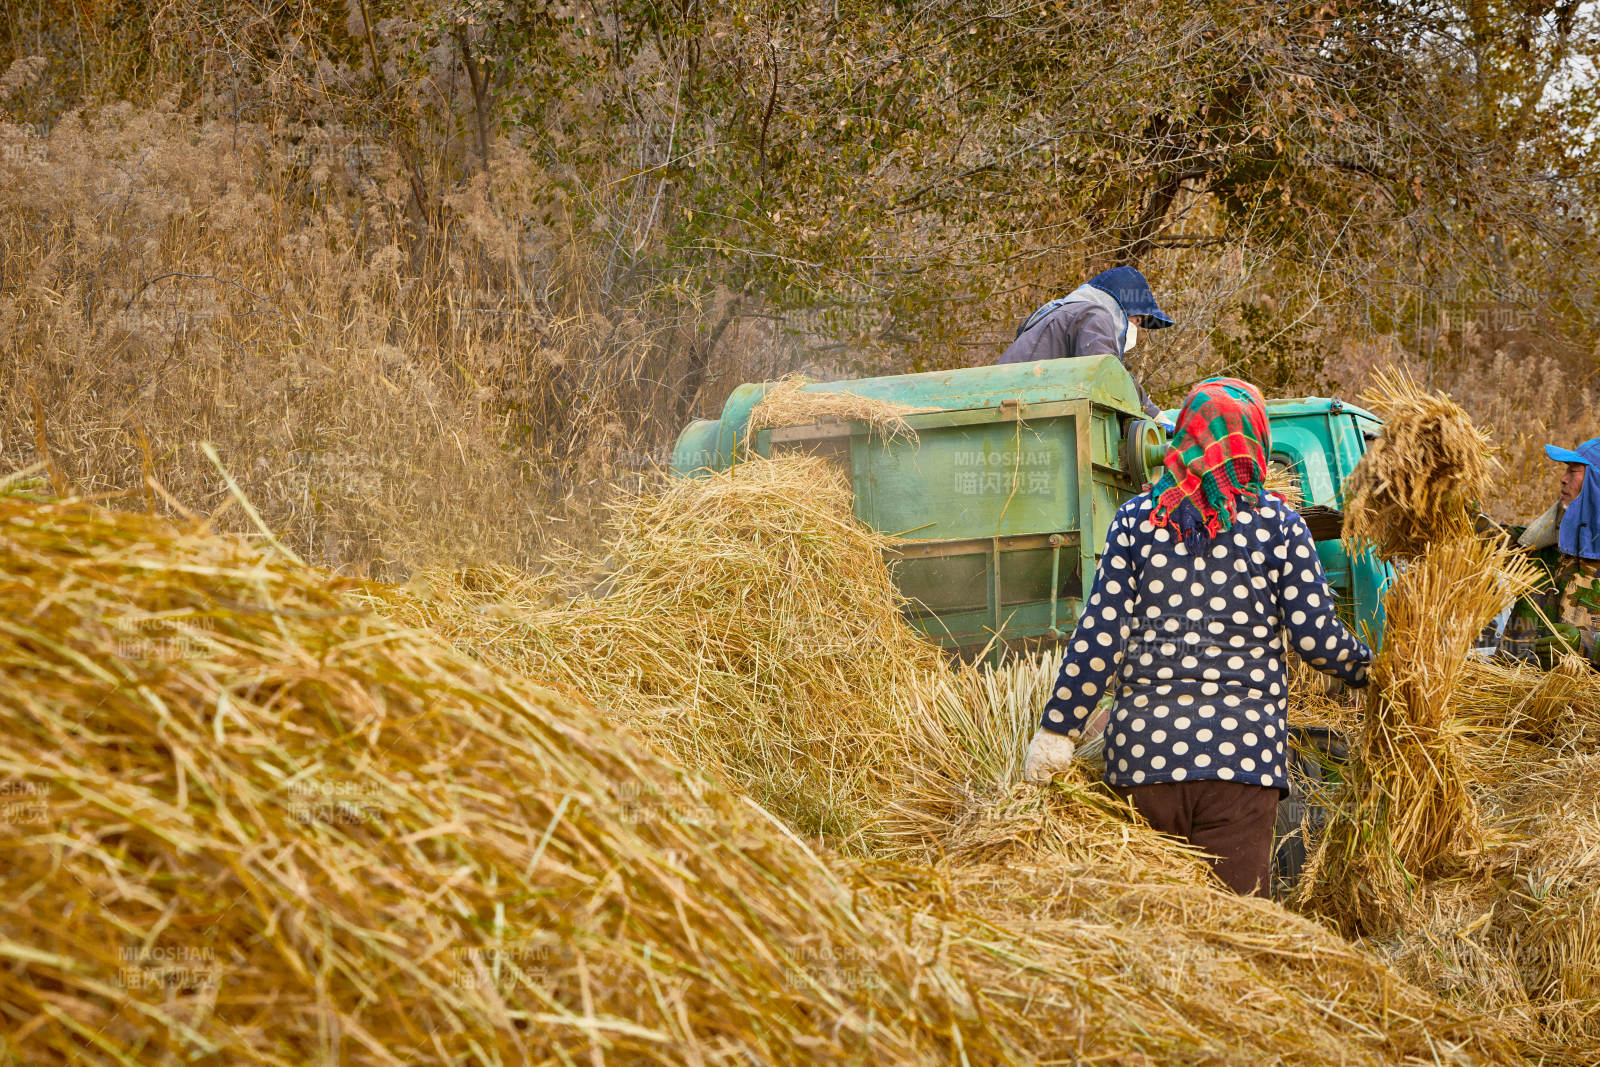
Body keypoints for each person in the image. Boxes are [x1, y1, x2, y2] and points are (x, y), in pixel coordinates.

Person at [1021, 377, 1373, 896]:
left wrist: (1058, 730)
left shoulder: (1137, 520)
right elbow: (1317, 638)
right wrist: (1374, 671)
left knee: (1158, 920)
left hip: (1145, 760)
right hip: (1243, 760)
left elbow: (1100, 635)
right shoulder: (1279, 524)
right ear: (1256, 442)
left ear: (1183, 438)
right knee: (1234, 923)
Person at [997, 265, 1174, 418]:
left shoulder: (1061, 312)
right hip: (1020, 415)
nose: (1137, 327)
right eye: (1137, 320)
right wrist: (1153, 414)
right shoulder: (1095, 315)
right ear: (1122, 308)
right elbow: (1108, 377)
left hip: (1002, 408)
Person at [1500, 438, 1600, 665]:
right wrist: (1460, 513)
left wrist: (1585, 644)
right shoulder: (1547, 542)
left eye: (1573, 471)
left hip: (1574, 688)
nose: (1563, 478)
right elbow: (1491, 540)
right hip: (1510, 683)